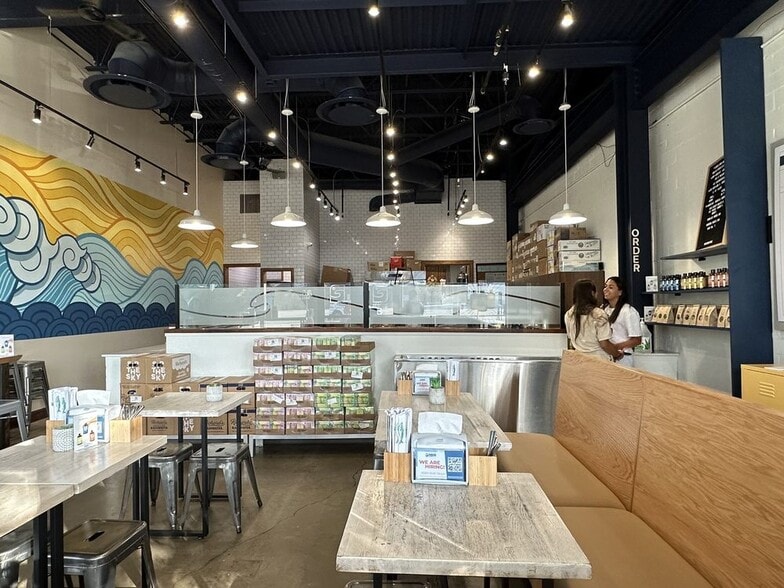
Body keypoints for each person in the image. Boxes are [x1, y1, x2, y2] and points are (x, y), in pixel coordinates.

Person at [564, 279, 623, 361]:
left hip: (579, 360)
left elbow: (570, 338)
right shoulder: (598, 314)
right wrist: (617, 354)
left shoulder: (569, 314)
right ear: (592, 293)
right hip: (599, 360)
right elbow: (604, 344)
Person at [602, 276, 643, 367]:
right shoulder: (604, 310)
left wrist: (614, 348)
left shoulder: (628, 311)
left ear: (620, 292)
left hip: (623, 357)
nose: (606, 289)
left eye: (611, 287)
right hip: (607, 356)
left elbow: (636, 340)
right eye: (605, 286)